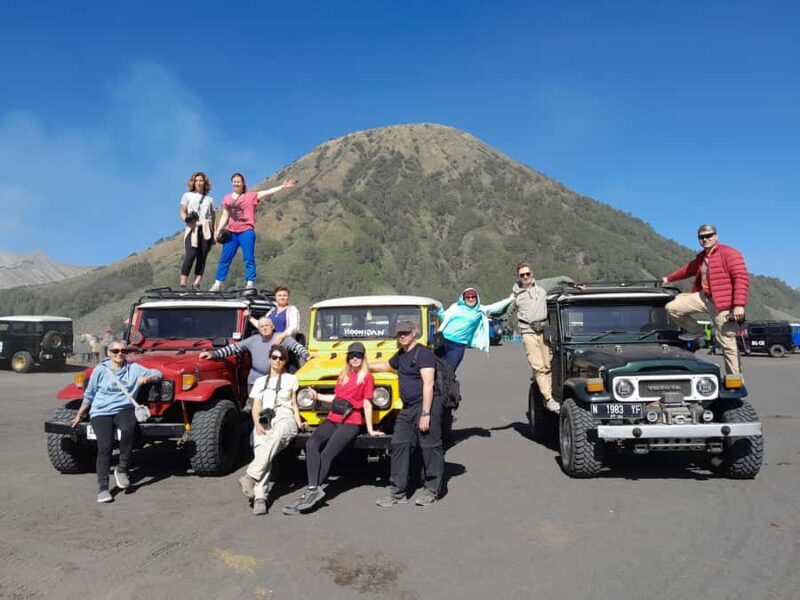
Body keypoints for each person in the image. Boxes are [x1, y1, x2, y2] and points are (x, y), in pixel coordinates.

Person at [283, 342, 385, 515]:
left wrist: (370, 430)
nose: (355, 358)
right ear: (348, 357)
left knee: (327, 453)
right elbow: (337, 398)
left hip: (351, 421)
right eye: (352, 355)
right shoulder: (343, 374)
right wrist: (318, 396)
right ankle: (313, 489)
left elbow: (367, 404)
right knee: (312, 444)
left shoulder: (366, 377)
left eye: (358, 355)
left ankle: (311, 492)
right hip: (333, 418)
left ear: (363, 358)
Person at [70, 342, 162, 503]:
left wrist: (147, 378)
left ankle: (122, 469)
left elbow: (158, 374)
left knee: (128, 429)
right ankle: (103, 488)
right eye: (115, 351)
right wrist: (80, 414)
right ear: (109, 353)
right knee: (104, 446)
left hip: (124, 409)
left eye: (123, 351)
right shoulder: (100, 370)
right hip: (101, 411)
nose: (119, 354)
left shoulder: (134, 369)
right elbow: (90, 394)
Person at [370, 320, 442, 507]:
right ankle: (397, 492)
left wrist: (426, 414)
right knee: (399, 443)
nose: (402, 336)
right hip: (408, 407)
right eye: (399, 333)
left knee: (429, 447)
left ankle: (431, 489)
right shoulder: (401, 355)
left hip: (426, 406)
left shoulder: (424, 353)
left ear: (414, 333)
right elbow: (386, 365)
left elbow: (428, 383)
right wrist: (364, 365)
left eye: (405, 333)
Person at [662, 224, 749, 375]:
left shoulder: (730, 254)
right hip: (705, 297)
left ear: (716, 236)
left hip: (723, 305)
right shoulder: (702, 257)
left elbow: (741, 279)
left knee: (727, 343)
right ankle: (698, 332)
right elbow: (687, 269)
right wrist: (668, 278)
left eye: (709, 236)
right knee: (673, 307)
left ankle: (735, 380)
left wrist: (739, 305)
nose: (705, 239)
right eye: (701, 237)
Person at [237, 346, 306, 515]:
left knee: (275, 439)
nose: (277, 361)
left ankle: (250, 477)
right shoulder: (260, 382)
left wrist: (300, 422)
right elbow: (256, 407)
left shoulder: (291, 379)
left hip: (284, 416)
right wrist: (257, 424)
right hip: (264, 418)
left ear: (285, 361)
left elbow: (294, 404)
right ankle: (260, 498)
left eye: (281, 358)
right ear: (269, 359)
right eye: (274, 357)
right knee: (261, 448)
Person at [209, 173, 297, 292]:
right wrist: (217, 231)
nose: (236, 183)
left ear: (243, 183)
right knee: (225, 258)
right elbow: (225, 215)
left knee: (249, 257)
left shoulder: (251, 196)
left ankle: (250, 283)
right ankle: (217, 284)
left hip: (246, 232)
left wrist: (282, 187)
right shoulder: (227, 198)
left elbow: (267, 192)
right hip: (232, 233)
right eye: (234, 181)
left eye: (238, 181)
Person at [509, 263, 574, 412]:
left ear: (532, 273)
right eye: (522, 275)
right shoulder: (516, 294)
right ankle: (549, 398)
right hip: (527, 332)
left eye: (527, 274)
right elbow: (506, 309)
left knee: (548, 365)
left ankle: (553, 395)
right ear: (518, 277)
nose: (525, 277)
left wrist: (575, 285)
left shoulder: (543, 286)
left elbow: (561, 279)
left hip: (543, 331)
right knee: (538, 367)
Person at [199, 317, 310, 393]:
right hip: (255, 381)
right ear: (258, 329)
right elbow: (233, 348)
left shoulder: (282, 338)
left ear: (272, 326)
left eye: (267, 325)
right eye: (261, 326)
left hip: (276, 381)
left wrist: (307, 356)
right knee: (254, 410)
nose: (265, 328)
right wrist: (213, 354)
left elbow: (297, 347)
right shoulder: (252, 340)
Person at [435, 288, 514, 371]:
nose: (471, 299)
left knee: (449, 371)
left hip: (458, 345)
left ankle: (446, 384)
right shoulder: (455, 307)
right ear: (463, 298)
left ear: (477, 298)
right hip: (443, 340)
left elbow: (496, 307)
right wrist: (439, 310)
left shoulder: (480, 309)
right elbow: (444, 318)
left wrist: (510, 300)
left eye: (473, 296)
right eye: (468, 297)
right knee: (435, 368)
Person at [179, 171, 215, 289]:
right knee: (190, 255)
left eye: (201, 181)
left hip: (205, 229)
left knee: (202, 257)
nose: (199, 183)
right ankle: (183, 285)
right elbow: (182, 212)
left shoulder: (210, 199)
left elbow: (213, 217)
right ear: (193, 183)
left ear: (205, 183)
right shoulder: (187, 196)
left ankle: (196, 284)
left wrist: (214, 233)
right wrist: (187, 219)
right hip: (193, 228)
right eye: (197, 181)